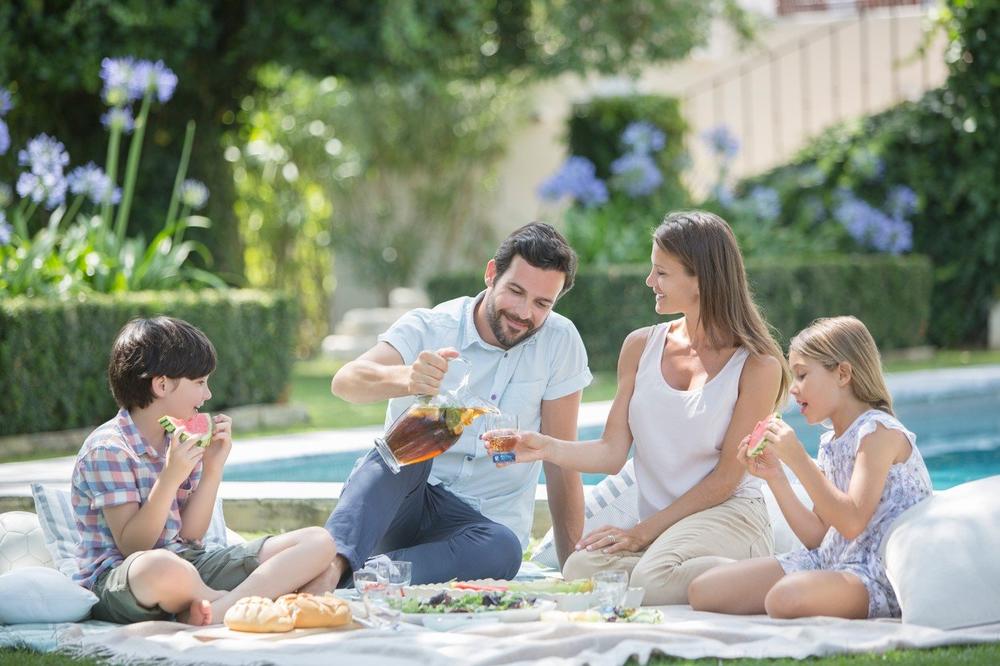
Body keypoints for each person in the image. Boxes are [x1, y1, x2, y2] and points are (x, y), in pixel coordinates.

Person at [499, 211, 788, 604]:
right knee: (580, 567)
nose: (650, 282)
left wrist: (641, 532)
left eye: (662, 273)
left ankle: (778, 572)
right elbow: (612, 452)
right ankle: (719, 579)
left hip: (729, 515)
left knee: (650, 577)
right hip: (666, 531)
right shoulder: (640, 346)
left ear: (701, 278)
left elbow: (725, 480)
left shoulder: (757, 366)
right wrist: (545, 446)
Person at [325, 222, 591, 586]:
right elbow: (346, 382)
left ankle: (354, 578)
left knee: (504, 550)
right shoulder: (430, 326)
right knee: (405, 451)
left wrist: (574, 573)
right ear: (491, 274)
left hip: (478, 532)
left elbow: (561, 463)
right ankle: (329, 563)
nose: (524, 312)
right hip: (404, 507)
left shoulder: (560, 342)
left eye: (542, 303)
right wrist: (406, 379)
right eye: (516, 291)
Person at [72, 317, 338, 625]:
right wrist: (170, 477)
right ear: (161, 385)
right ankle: (230, 603)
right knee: (161, 567)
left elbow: (191, 534)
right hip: (124, 580)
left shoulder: (179, 439)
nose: (208, 395)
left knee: (320, 541)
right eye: (200, 383)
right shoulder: (108, 449)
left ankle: (213, 610)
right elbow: (134, 546)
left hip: (190, 563)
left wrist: (212, 469)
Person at [688, 316, 932, 619]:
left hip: (874, 574)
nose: (793, 389)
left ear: (843, 374)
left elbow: (852, 521)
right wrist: (776, 476)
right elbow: (818, 537)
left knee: (784, 597)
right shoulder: (831, 441)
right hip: (830, 560)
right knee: (704, 590)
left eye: (802, 375)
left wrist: (799, 459)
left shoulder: (878, 433)